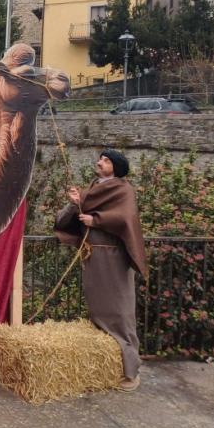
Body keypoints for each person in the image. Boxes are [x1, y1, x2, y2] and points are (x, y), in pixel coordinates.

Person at [54, 148, 147, 392]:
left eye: (106, 160)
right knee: (99, 310)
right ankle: (106, 370)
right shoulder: (94, 187)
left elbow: (126, 217)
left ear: (116, 166)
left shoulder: (123, 190)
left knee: (120, 311)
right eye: (100, 159)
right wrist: (76, 203)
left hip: (114, 259)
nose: (99, 162)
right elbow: (74, 215)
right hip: (94, 257)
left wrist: (96, 220)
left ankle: (130, 372)